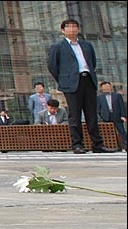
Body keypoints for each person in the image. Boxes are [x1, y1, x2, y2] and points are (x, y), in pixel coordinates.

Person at [47, 18, 116, 154]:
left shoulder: (86, 45)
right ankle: (77, 144)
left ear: (78, 29)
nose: (72, 30)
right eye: (69, 27)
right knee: (74, 115)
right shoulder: (58, 47)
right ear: (63, 30)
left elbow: (93, 63)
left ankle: (98, 144)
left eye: (75, 27)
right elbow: (52, 66)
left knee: (92, 114)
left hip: (88, 80)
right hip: (71, 84)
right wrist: (64, 80)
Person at [97, 81, 127, 151]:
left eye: (107, 87)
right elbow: (98, 108)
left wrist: (123, 116)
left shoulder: (117, 95)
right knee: (110, 133)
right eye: (104, 87)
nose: (106, 88)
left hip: (116, 115)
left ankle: (126, 145)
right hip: (106, 117)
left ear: (111, 87)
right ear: (102, 88)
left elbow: (122, 106)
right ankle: (115, 146)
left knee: (121, 131)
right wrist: (101, 116)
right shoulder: (99, 97)